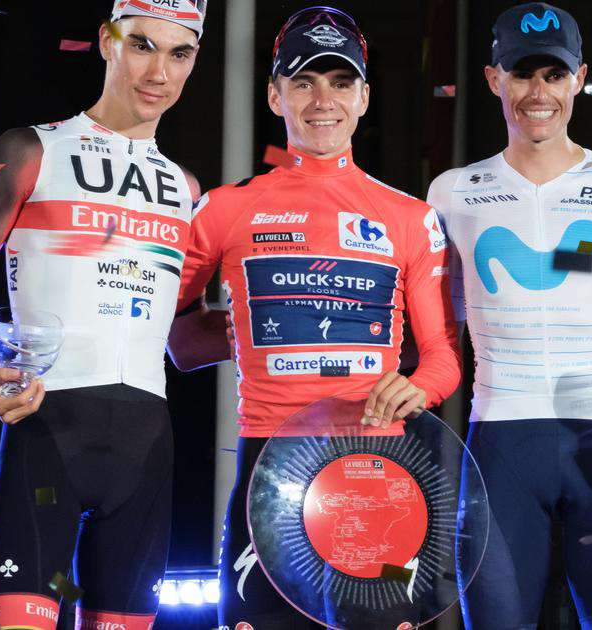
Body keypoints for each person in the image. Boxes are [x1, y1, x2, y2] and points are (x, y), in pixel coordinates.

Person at [166, 6, 461, 628]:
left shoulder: (410, 217)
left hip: (377, 470)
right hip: (268, 469)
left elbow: (442, 357)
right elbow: (166, 331)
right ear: (275, 96)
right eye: (303, 82)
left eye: (340, 82)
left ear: (363, 98)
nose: (322, 100)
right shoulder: (223, 209)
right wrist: (233, 331)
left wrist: (421, 387)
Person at [0, 1, 207, 628]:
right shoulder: (31, 149)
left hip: (147, 446)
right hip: (45, 430)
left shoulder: (187, 189)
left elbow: (181, 338)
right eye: (141, 45)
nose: (158, 72)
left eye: (179, 53)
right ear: (106, 42)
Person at [427, 4, 592, 629]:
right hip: (500, 444)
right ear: (494, 79)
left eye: (554, 74)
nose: (538, 93)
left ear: (579, 79)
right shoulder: (453, 192)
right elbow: (439, 339)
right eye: (522, 74)